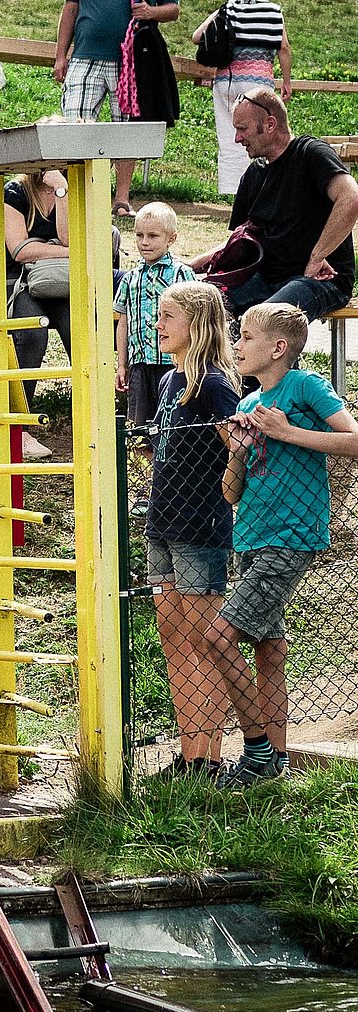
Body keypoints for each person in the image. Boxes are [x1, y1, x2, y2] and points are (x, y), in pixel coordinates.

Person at [207, 304, 358, 786]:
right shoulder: (248, 405)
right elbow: (232, 492)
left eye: (246, 338)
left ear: (276, 347)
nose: (238, 346)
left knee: (217, 637)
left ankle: (256, 753)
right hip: (250, 537)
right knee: (269, 649)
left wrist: (287, 432)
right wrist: (238, 452)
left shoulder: (306, 386)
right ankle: (277, 756)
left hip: (291, 537)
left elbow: (355, 441)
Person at [145, 282, 242, 778]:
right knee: (173, 637)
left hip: (199, 528)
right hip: (161, 523)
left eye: (168, 316)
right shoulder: (169, 382)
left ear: (198, 324)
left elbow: (239, 447)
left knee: (203, 639)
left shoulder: (215, 383)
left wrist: (226, 495)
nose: (158, 324)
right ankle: (188, 753)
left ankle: (211, 754)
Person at [190, 87, 358, 322]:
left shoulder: (310, 153)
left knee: (262, 320)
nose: (237, 138)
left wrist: (318, 256)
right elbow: (239, 241)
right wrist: (190, 266)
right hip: (265, 279)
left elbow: (351, 198)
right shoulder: (254, 174)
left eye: (242, 129)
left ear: (270, 124)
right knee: (200, 307)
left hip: (318, 280)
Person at [53, 0, 180, 218]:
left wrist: (151, 12)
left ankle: (121, 199)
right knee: (74, 127)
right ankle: (76, 196)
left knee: (126, 131)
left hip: (132, 60)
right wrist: (60, 56)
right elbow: (71, 7)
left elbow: (174, 10)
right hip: (85, 57)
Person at [115, 201, 197, 512]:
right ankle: (147, 490)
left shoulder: (182, 273)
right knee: (139, 429)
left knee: (172, 427)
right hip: (140, 365)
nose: (145, 243)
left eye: (153, 236)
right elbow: (123, 320)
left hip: (174, 366)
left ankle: (175, 486)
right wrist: (121, 364)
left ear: (170, 239)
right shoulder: (131, 278)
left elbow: (195, 316)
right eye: (139, 236)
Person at [4, 169, 72, 459]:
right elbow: (19, 250)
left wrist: (62, 190)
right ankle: (21, 428)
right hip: (18, 282)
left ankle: (93, 420)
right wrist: (65, 251)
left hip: (59, 282)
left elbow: (69, 236)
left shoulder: (74, 187)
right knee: (33, 333)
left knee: (77, 326)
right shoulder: (16, 192)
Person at [192, 0, 292, 195]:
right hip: (259, 83)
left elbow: (197, 37)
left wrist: (220, 10)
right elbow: (284, 48)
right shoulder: (273, 11)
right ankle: (259, 188)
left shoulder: (229, 8)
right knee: (262, 138)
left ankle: (231, 191)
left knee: (229, 138)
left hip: (226, 82)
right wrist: (287, 81)